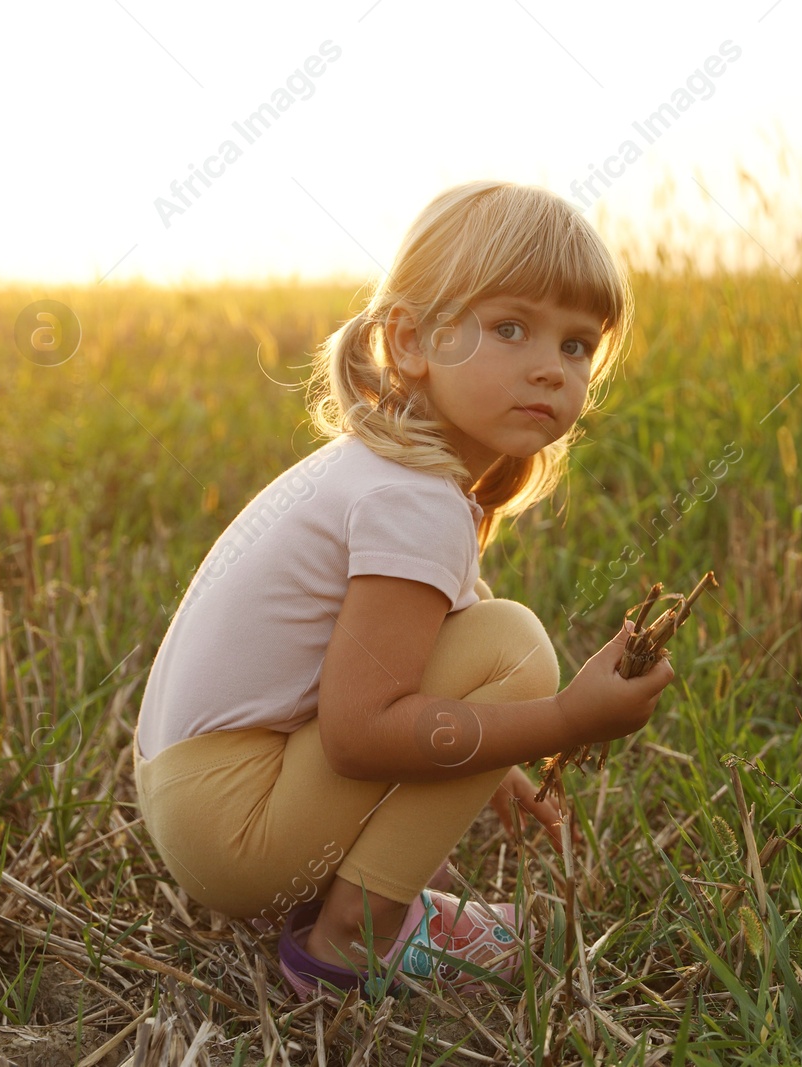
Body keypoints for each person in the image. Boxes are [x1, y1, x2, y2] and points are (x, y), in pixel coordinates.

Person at [131, 180, 676, 1001]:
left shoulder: (390, 470)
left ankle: (353, 898)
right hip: (233, 827)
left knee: (490, 638)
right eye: (511, 328)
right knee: (514, 644)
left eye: (576, 346)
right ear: (411, 340)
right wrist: (563, 721)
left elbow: (395, 664)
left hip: (199, 803)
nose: (550, 369)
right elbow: (359, 733)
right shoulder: (413, 500)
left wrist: (486, 763)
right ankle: (355, 935)